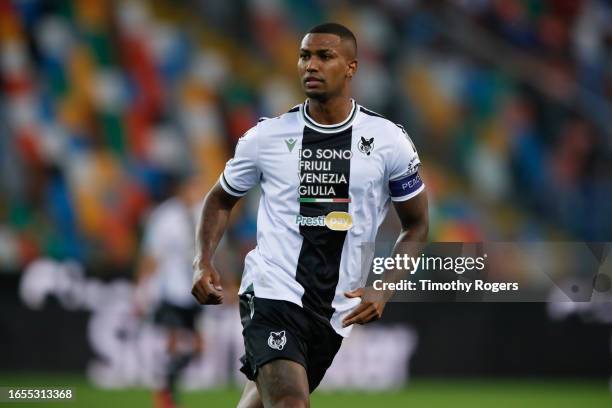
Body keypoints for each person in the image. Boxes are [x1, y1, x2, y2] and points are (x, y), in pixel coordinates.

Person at [191, 23, 429, 407]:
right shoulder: (266, 138)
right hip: (272, 290)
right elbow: (219, 199)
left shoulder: (389, 142)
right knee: (290, 402)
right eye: (305, 56)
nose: (310, 65)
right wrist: (202, 262)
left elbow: (416, 225)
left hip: (334, 311)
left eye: (324, 56)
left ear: (351, 67)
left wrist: (384, 285)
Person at [135, 172, 206, 408]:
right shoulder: (165, 217)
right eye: (197, 187)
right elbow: (151, 256)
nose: (200, 193)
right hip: (170, 291)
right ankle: (166, 394)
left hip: (193, 293)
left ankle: (165, 384)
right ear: (184, 188)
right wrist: (142, 290)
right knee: (175, 344)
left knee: (197, 348)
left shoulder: (202, 214)